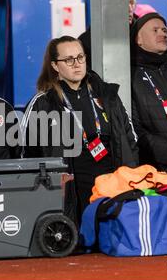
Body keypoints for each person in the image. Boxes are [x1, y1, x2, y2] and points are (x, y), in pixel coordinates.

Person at [22, 36, 138, 223]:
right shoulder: (43, 104)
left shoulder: (107, 95)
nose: (76, 64)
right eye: (68, 60)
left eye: (80, 57)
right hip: (72, 194)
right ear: (54, 65)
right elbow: (28, 154)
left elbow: (130, 139)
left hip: (113, 185)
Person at [130, 12, 167, 174]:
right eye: (155, 30)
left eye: (164, 29)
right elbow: (135, 130)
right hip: (155, 171)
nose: (162, 33)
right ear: (138, 39)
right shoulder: (130, 77)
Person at [78, 0, 138, 70]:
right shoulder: (87, 41)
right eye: (123, 3)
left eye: (132, 3)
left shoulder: (143, 32)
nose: (129, 9)